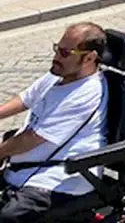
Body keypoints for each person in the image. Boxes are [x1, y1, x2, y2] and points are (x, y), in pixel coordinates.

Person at [0, 23, 109, 222]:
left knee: (7, 218)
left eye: (66, 53)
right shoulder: (57, 75)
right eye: (57, 49)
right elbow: (26, 98)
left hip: (58, 179)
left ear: (90, 58)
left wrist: (1, 151)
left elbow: (32, 138)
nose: (57, 57)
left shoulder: (85, 94)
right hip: (25, 167)